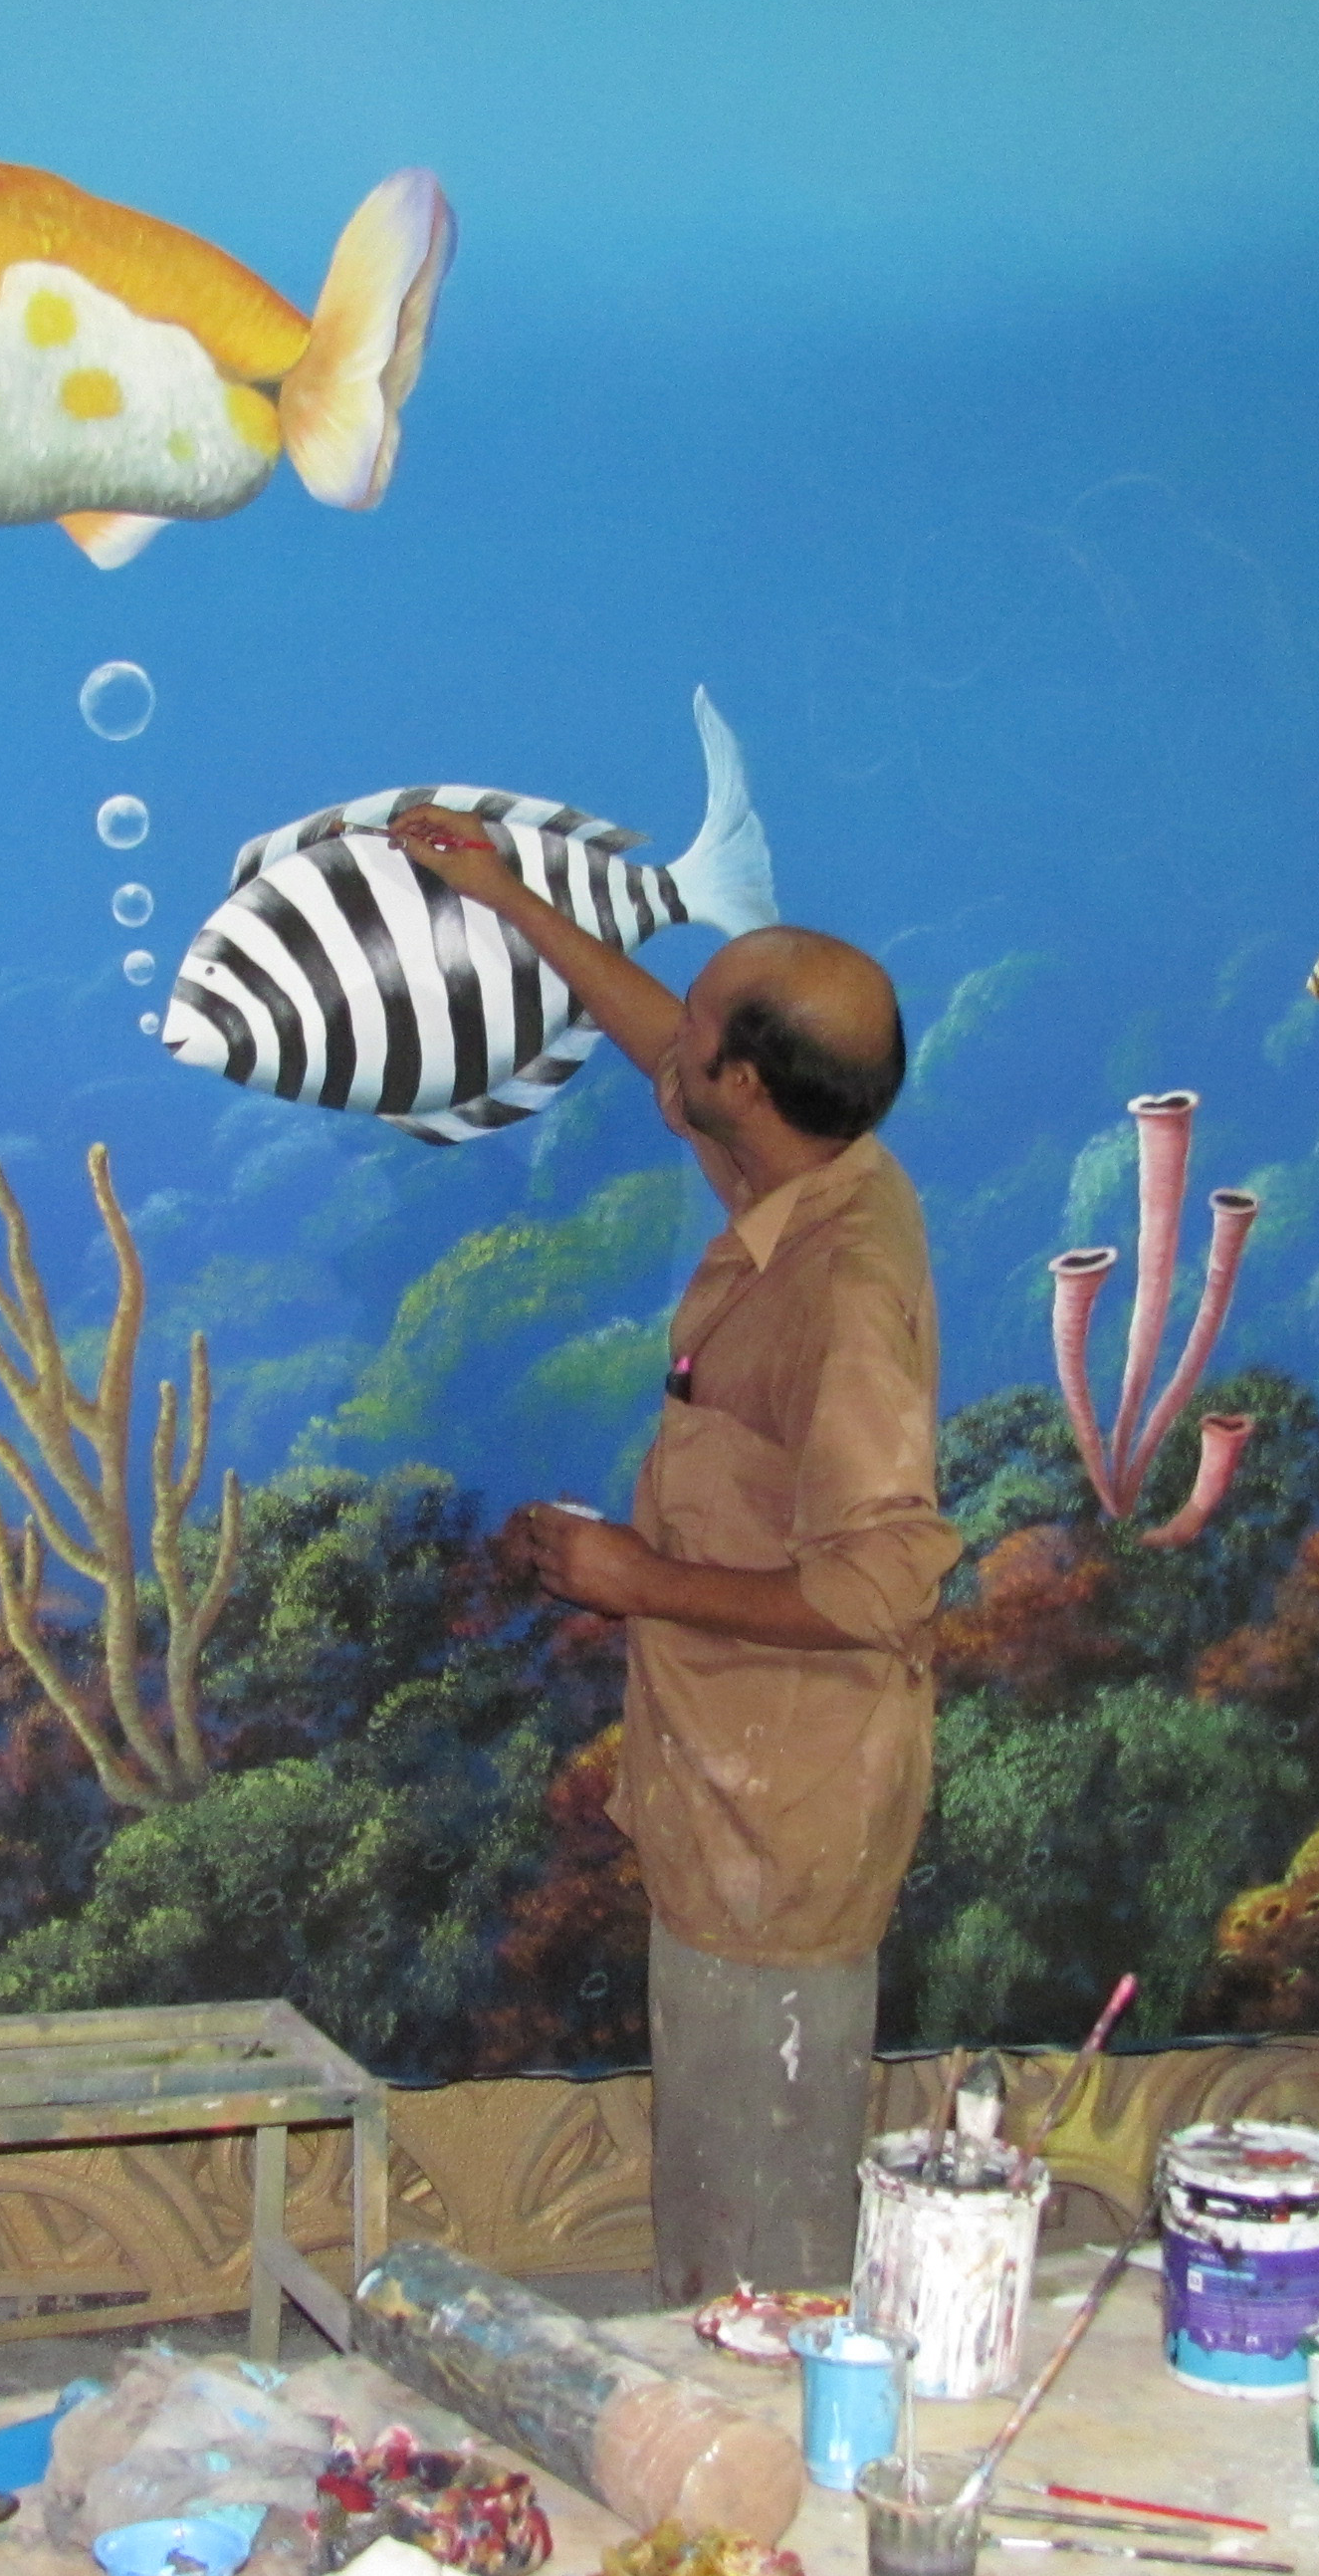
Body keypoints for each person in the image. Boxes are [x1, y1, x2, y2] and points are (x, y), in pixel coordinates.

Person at [388, 804, 961, 2300]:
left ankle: (767, 2423)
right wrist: (504, 896)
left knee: (764, 2217)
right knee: (716, 2160)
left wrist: (630, 1579)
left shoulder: (842, 1287)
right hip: (722, 1793)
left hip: (790, 1824)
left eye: (702, 1024)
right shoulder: (811, 1168)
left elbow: (884, 1584)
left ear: (746, 1085)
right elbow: (664, 1042)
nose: (673, 1032)